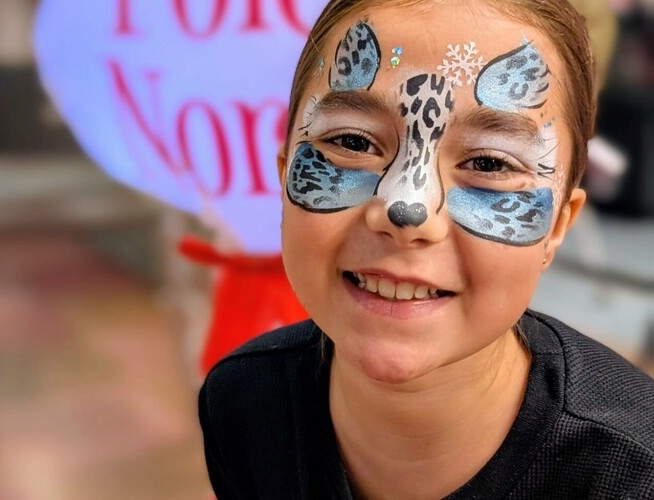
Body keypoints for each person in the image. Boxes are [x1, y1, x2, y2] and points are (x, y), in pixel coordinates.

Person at [198, 0, 654, 497]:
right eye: (352, 141)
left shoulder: (633, 472)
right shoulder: (243, 405)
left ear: (559, 225)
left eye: (489, 165)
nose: (406, 211)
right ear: (285, 172)